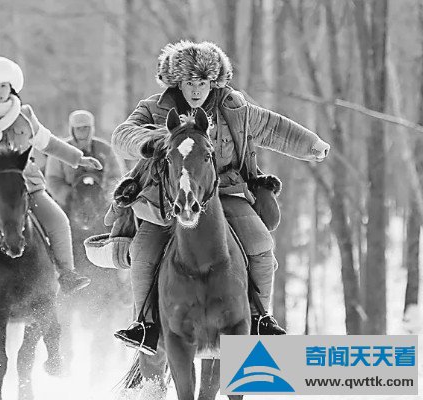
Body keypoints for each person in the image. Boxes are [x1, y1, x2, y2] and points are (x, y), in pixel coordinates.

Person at [111, 40, 330, 356]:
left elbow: (273, 127)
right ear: (177, 83)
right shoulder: (154, 108)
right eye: (189, 83)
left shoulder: (234, 109)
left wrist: (311, 144)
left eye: (202, 83)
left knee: (261, 245)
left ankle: (259, 318)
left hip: (225, 192)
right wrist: (148, 142)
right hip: (169, 198)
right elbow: (123, 135)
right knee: (143, 252)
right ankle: (144, 325)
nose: (196, 90)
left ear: (213, 82)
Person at [0, 56, 103, 304]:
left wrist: (79, 158)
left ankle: (67, 274)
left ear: (11, 86)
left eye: (3, 86)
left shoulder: (25, 114)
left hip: (27, 185)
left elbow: (48, 143)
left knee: (58, 220)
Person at [45, 110, 121, 208]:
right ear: (72, 130)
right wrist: (69, 197)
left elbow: (116, 176)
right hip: (69, 204)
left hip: (102, 202)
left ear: (92, 129)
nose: (82, 131)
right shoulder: (60, 151)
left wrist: (107, 196)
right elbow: (53, 180)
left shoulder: (106, 149)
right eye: (78, 128)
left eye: (85, 127)